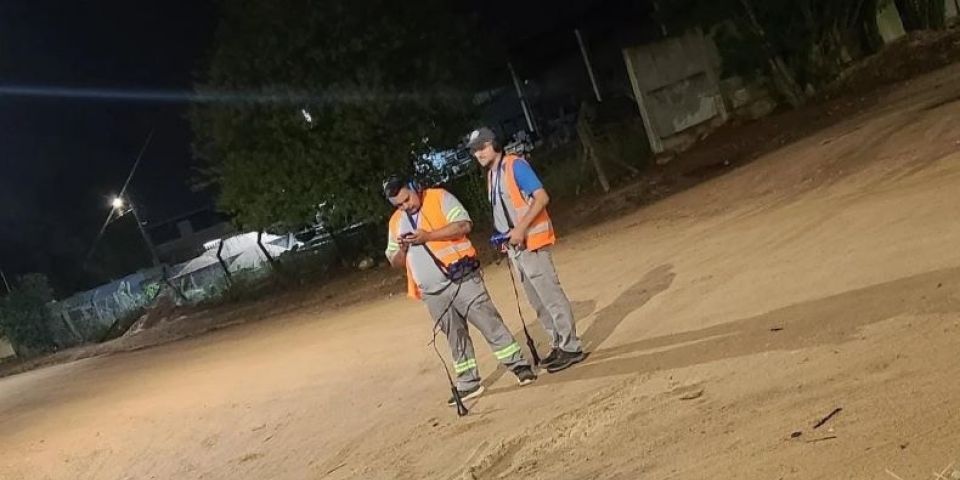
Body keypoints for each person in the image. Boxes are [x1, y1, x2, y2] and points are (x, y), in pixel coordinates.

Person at [382, 174, 537, 405]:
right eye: (399, 204)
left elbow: (464, 225)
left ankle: (519, 366)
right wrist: (403, 249)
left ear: (415, 187)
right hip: (432, 292)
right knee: (454, 337)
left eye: (407, 199)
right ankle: (468, 382)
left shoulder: (439, 198)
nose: (406, 206)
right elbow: (394, 261)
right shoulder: (396, 221)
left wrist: (428, 236)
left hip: (462, 278)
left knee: (489, 322)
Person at [467, 127, 585, 373]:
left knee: (550, 296)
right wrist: (504, 236)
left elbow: (541, 197)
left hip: (532, 243)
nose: (478, 153)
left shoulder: (515, 166)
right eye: (475, 150)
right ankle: (557, 344)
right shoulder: (492, 175)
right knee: (537, 300)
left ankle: (571, 346)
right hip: (516, 247)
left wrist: (519, 229)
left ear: (494, 143)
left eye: (482, 147)